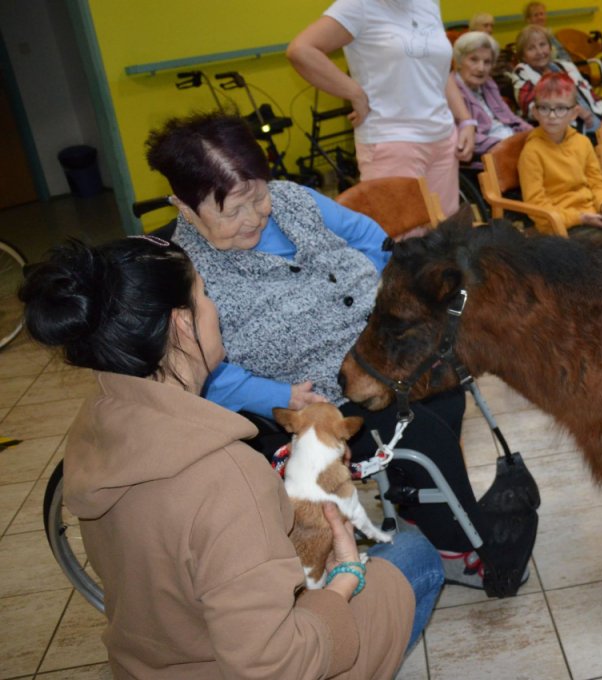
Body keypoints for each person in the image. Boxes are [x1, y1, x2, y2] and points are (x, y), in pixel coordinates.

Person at [19, 236, 442, 677]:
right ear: (183, 323)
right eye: (205, 293)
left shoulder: (93, 430)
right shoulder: (227, 476)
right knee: (413, 553)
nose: (214, 307)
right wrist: (344, 581)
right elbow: (276, 667)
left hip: (151, 663)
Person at [145, 112, 510, 589]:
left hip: (374, 356)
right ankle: (459, 546)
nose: (254, 217)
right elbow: (195, 369)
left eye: (258, 196)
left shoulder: (295, 200)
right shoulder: (180, 268)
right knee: (419, 435)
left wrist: (382, 289)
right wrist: (277, 396)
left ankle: (421, 509)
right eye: (232, 211)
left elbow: (370, 238)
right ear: (184, 206)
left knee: (443, 392)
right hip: (313, 401)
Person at [286, 0, 476, 216]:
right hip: (393, 140)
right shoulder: (358, 6)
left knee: (447, 228)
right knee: (402, 231)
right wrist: (354, 93)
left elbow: (439, 70)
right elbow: (301, 50)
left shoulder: (429, 3)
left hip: (443, 138)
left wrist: (465, 119)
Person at [518, 72, 602, 236]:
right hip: (559, 224)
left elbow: (597, 181)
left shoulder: (583, 142)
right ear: (535, 112)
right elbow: (536, 205)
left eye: (561, 108)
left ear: (574, 113)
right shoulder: (531, 152)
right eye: (544, 108)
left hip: (592, 213)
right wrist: (580, 218)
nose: (552, 116)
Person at [510, 25, 602, 130]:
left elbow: (590, 93)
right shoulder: (522, 73)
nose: (539, 52)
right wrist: (575, 111)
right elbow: (532, 109)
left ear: (550, 47)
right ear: (523, 56)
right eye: (531, 48)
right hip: (564, 130)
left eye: (542, 45)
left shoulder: (566, 66)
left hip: (597, 119)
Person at [450, 31, 533, 155]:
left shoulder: (488, 83)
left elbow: (510, 117)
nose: (481, 68)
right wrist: (508, 144)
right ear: (460, 61)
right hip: (489, 154)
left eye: (487, 62)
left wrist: (532, 133)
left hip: (512, 142)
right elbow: (463, 137)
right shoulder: (451, 91)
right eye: (474, 60)